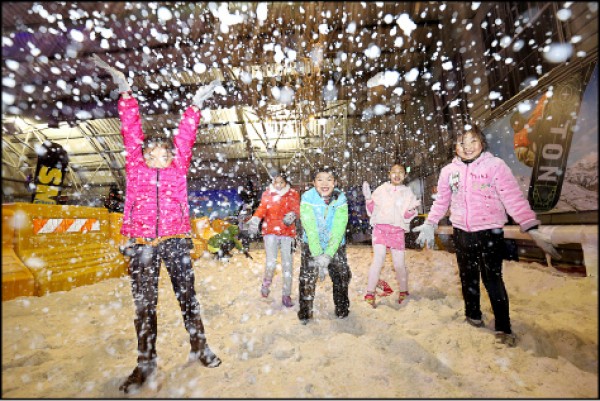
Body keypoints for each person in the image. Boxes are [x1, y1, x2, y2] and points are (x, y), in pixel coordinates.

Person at [93, 54, 222, 393]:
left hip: (176, 240)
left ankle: (199, 347)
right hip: (141, 243)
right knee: (144, 306)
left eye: (163, 153)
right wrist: (125, 93)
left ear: (171, 156)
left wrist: (195, 104)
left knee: (187, 297)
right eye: (151, 153)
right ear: (144, 156)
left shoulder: (178, 170)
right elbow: (130, 132)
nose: (157, 156)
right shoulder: (135, 169)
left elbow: (185, 136)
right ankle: (145, 363)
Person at [412, 125, 560, 347]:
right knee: (467, 276)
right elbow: (442, 201)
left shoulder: (495, 166)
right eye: (462, 142)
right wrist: (430, 223)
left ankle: (503, 326)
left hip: (490, 231)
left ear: (482, 143)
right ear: (455, 147)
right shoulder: (448, 172)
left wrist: (530, 226)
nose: (468, 147)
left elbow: (512, 198)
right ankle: (473, 315)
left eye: (473, 141)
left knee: (492, 279)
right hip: (461, 232)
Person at [362, 164, 420, 308]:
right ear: (389, 174)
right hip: (380, 229)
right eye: (394, 172)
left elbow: (406, 216)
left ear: (405, 176)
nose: (397, 175)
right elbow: (372, 210)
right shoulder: (382, 190)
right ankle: (370, 292)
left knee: (399, 264)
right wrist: (369, 199)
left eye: (400, 172)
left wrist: (412, 210)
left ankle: (403, 291)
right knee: (378, 260)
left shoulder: (408, 193)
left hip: (397, 231)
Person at [297, 165, 350, 323]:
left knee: (342, 276)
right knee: (307, 279)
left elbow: (339, 226)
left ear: (335, 182)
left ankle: (342, 309)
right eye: (320, 179)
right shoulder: (307, 198)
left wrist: (329, 253)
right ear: (314, 182)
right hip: (311, 244)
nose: (324, 183)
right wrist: (317, 253)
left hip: (335, 245)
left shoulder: (341, 198)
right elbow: (310, 227)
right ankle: (305, 313)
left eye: (329, 179)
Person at [247, 171, 300, 307]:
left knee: (287, 264)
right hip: (270, 231)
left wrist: (293, 214)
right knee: (271, 263)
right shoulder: (267, 194)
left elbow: (297, 209)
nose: (278, 185)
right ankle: (266, 285)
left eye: (281, 182)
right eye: (276, 182)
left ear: (286, 182)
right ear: (272, 182)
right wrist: (256, 218)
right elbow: (262, 208)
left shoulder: (292, 194)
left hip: (287, 233)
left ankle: (286, 294)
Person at [511, 92, 548, 167]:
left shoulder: (529, 123)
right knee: (522, 147)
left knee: (537, 122)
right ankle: (537, 160)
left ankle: (538, 158)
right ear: (514, 126)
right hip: (529, 152)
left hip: (536, 146)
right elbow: (521, 153)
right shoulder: (519, 136)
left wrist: (546, 95)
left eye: (519, 118)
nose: (520, 120)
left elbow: (538, 111)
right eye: (517, 121)